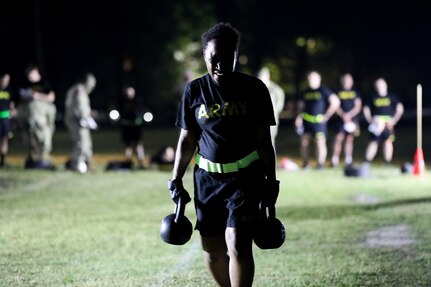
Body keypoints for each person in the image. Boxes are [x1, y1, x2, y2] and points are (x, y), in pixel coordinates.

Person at [168, 23, 279, 286]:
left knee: (239, 244)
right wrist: (175, 179)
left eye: (225, 58)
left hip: (245, 178)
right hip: (207, 180)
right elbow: (187, 139)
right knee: (213, 250)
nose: (218, 65)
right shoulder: (194, 91)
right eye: (212, 59)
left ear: (236, 56)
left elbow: (264, 141)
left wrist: (271, 181)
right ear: (205, 57)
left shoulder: (255, 89)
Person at [295, 71, 340, 169]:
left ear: (319, 79)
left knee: (320, 143)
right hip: (306, 121)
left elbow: (335, 102)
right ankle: (306, 164)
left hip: (319, 122)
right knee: (304, 143)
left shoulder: (323, 90)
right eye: (309, 78)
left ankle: (320, 164)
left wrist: (327, 116)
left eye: (313, 78)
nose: (311, 80)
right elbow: (300, 106)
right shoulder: (305, 91)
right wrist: (298, 117)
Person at [18, 65, 56, 169]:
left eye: (32, 74)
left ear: (37, 73)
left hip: (42, 116)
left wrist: (38, 96)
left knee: (43, 136)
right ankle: (32, 158)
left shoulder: (45, 83)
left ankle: (43, 158)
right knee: (30, 137)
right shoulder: (25, 84)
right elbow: (21, 97)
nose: (30, 77)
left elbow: (51, 97)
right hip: (29, 116)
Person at [363, 78, 404, 165]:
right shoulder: (372, 97)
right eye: (378, 85)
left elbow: (400, 108)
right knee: (373, 141)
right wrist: (370, 120)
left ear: (386, 85)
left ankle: (387, 162)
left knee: (388, 142)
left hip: (388, 124)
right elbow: (366, 108)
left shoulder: (391, 97)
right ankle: (367, 161)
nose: (380, 87)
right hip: (376, 123)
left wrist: (394, 120)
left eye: (381, 85)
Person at [64, 73, 97, 173]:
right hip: (77, 121)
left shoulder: (77, 90)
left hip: (79, 120)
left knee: (85, 143)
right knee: (81, 143)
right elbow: (79, 107)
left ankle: (86, 163)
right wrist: (84, 118)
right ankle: (77, 164)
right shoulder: (79, 90)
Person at [331, 73, 362, 166]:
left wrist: (349, 115)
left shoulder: (355, 92)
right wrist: (342, 114)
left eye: (349, 80)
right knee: (338, 138)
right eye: (345, 80)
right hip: (340, 119)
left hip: (352, 120)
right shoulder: (337, 91)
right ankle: (334, 160)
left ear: (352, 82)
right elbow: (335, 105)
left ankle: (348, 160)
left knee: (349, 139)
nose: (347, 82)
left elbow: (358, 106)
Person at [258, 67, 285, 150]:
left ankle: (271, 161)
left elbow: (279, 106)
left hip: (270, 122)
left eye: (262, 76)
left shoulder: (276, 90)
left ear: (267, 76)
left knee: (269, 142)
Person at [118, 85, 145, 168]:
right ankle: (128, 163)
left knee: (138, 145)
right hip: (126, 127)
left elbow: (141, 112)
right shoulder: (122, 102)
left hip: (136, 127)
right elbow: (120, 113)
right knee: (127, 145)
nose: (129, 94)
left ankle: (141, 163)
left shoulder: (137, 101)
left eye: (131, 92)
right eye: (128, 92)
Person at [0, 73, 15, 167]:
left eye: (7, 80)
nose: (5, 82)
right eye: (4, 79)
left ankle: (3, 160)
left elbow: (12, 106)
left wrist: (12, 113)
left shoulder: (9, 91)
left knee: (5, 139)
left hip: (5, 119)